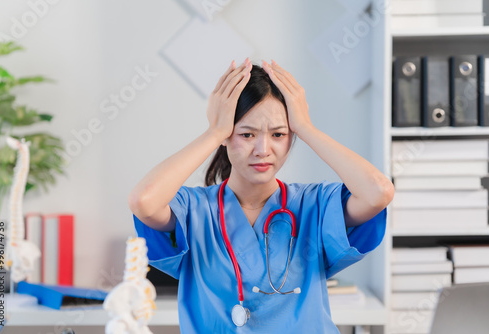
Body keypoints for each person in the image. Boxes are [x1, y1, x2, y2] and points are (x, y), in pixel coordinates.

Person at [128, 57, 394, 333]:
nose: (263, 149)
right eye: (247, 134)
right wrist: (214, 131)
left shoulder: (314, 206)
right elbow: (143, 201)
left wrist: (306, 127)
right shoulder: (193, 210)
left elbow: (378, 192)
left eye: (278, 134)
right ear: (227, 136)